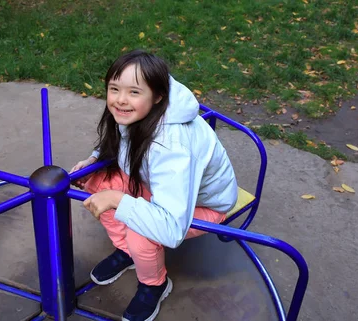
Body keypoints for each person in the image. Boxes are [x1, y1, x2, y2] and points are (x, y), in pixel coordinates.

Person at [69, 49, 238, 321]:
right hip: (158, 183)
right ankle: (128, 252)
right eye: (114, 89)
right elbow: (122, 139)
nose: (121, 100)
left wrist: (116, 199)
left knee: (141, 232)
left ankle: (155, 284)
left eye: (134, 92)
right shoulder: (138, 112)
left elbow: (171, 228)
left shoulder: (171, 147)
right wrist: (95, 158)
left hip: (201, 204)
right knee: (94, 178)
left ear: (158, 96)